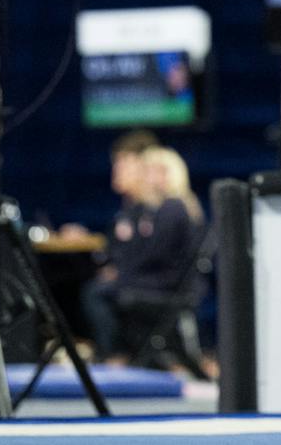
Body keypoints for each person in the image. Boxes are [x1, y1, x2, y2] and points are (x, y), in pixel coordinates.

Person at [76, 132, 195, 364]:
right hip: (146, 280)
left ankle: (113, 355)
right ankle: (111, 352)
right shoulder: (140, 210)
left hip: (161, 285)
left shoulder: (172, 210)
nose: (147, 177)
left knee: (97, 292)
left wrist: (120, 275)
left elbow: (155, 258)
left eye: (154, 171)